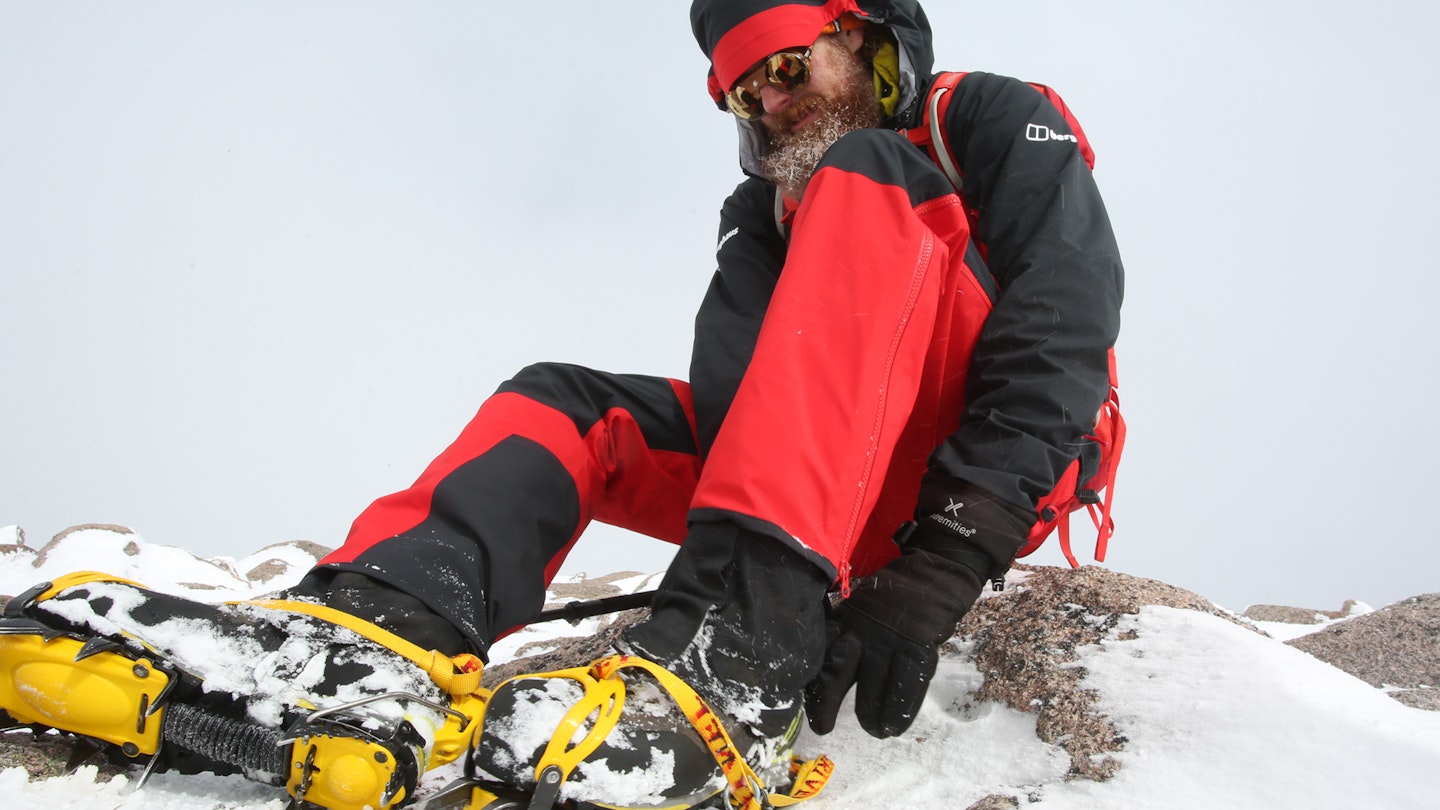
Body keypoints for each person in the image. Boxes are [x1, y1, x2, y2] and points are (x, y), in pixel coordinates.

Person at [0, 1, 1122, 808]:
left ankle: (738, 654)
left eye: (788, 65)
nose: (770, 103)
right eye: (744, 92)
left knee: (864, 171)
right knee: (570, 404)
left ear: (865, 39)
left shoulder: (974, 120)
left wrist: (947, 555)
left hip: (965, 472)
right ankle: (381, 631)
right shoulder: (761, 216)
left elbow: (1066, 318)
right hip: (813, 483)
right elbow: (744, 409)